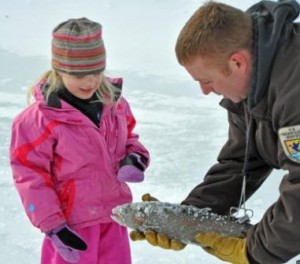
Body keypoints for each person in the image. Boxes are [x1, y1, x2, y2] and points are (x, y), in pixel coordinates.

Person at [131, 0, 300, 263]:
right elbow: (241, 160)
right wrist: (187, 218)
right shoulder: (251, 89)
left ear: (237, 63)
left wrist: (253, 251)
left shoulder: (294, 91)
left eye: (206, 81)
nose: (205, 91)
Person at [9, 17, 150, 264]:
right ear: (59, 70)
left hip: (113, 218)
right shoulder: (38, 119)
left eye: (96, 72)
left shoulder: (114, 105)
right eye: (79, 74)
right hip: (71, 227)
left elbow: (130, 138)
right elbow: (30, 175)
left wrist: (135, 157)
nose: (90, 81)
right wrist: (53, 225)